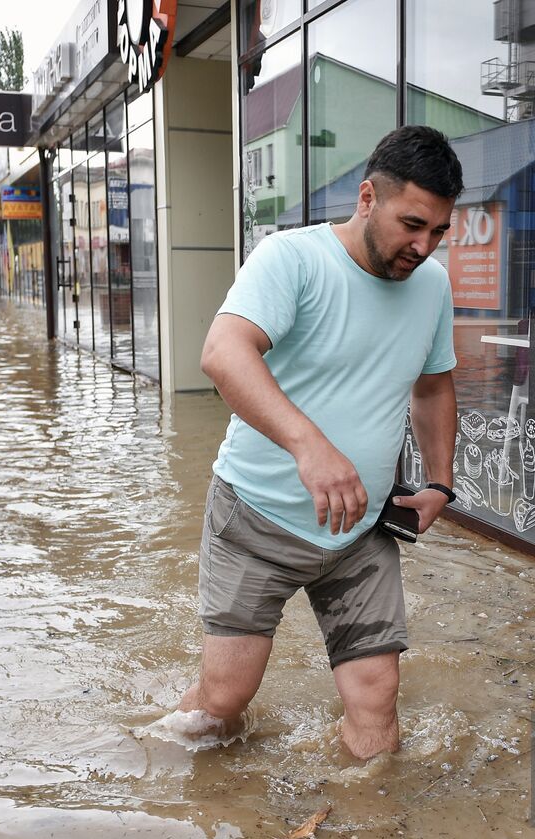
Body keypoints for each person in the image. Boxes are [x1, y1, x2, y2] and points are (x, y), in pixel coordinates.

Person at [177, 126, 462, 759]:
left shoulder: (433, 285)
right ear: (367, 197)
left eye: (439, 231)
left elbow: (434, 386)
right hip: (257, 516)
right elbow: (223, 353)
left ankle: (373, 834)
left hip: (361, 531)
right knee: (223, 703)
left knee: (376, 694)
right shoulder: (292, 259)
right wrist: (310, 445)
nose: (424, 246)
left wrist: (439, 481)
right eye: (412, 224)